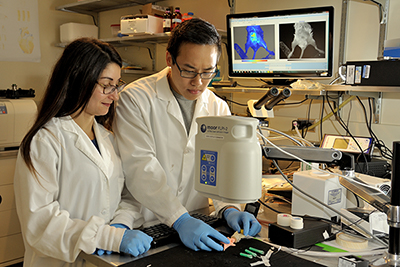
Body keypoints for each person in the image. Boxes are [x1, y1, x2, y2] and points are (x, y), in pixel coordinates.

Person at [113, 18, 262, 252]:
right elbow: (140, 167)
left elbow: (222, 170)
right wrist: (179, 219)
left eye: (208, 72)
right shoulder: (136, 99)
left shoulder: (218, 107)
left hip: (199, 222)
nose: (198, 82)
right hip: (149, 223)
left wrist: (229, 208)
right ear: (169, 59)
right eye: (189, 70)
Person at [14, 38, 153, 267]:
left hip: (104, 260)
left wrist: (121, 225)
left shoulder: (108, 138)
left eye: (117, 85)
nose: (115, 95)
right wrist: (108, 237)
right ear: (79, 80)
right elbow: (39, 223)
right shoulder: (45, 141)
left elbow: (126, 196)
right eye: (107, 85)